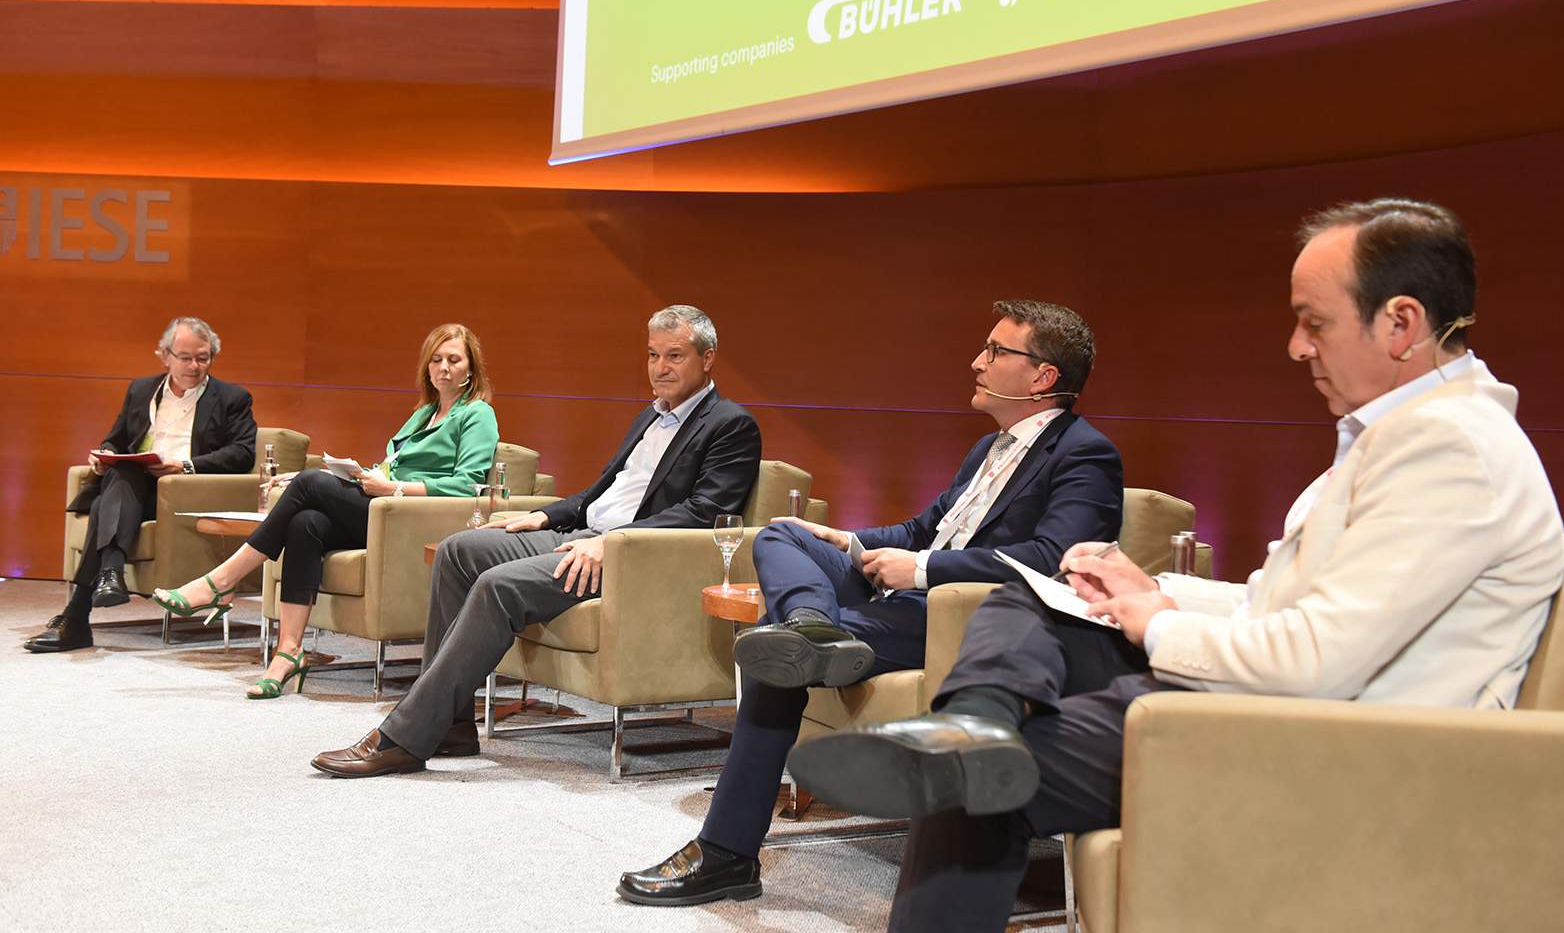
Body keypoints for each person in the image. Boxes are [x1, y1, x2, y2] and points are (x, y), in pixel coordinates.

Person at [787, 199, 1564, 932]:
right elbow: (1287, 606)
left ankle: (971, 742)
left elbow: (1313, 661)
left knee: (975, 786)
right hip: (1284, 705)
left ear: (1400, 323)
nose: (1296, 346)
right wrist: (1153, 586)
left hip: (1341, 749)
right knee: (1031, 596)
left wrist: (1157, 623)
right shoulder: (1405, 435)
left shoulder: (1450, 450)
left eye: (1313, 323)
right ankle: (973, 720)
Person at [618, 300, 1125, 907]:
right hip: (906, 594)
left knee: (775, 662)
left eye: (995, 351)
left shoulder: (1085, 454)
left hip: (961, 618)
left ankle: (727, 852)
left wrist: (923, 570)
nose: (977, 361)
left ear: (1043, 377)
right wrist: (854, 540)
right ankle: (812, 628)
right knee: (784, 534)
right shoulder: (987, 450)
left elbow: (1051, 558)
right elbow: (924, 527)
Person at [310, 304, 763, 774]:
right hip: (585, 534)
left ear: (707, 359)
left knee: (497, 585)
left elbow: (703, 513)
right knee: (459, 549)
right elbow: (597, 492)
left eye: (675, 356)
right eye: (652, 355)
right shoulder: (649, 417)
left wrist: (613, 543)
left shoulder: (730, 425)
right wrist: (540, 516)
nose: (660, 368)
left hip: (631, 558)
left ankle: (404, 736)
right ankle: (453, 725)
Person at [150, 323, 500, 699]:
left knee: (308, 484)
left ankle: (219, 583)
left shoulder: (476, 414)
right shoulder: (423, 413)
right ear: (427, 368)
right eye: (436, 359)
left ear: (470, 369)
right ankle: (288, 654)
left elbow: (469, 485)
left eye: (453, 360)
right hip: (385, 509)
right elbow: (391, 468)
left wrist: (393, 488)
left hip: (413, 519)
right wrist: (366, 476)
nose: (444, 367)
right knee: (305, 522)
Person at [24, 317, 257, 654]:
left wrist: (183, 465)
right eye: (185, 357)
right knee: (123, 474)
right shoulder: (141, 390)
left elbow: (242, 452)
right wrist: (105, 454)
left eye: (203, 358)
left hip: (184, 493)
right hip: (135, 491)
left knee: (109, 501)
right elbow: (117, 440)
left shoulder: (233, 398)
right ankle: (104, 583)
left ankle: (79, 613)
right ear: (165, 355)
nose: (194, 366)